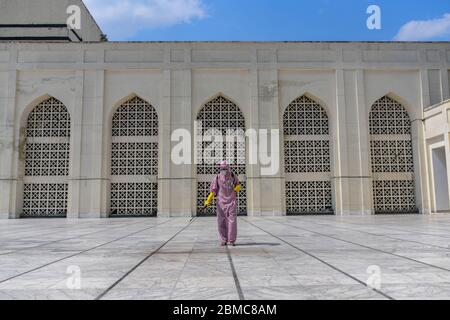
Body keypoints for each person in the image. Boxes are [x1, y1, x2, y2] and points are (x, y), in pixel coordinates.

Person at [204, 160, 241, 246]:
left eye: (225, 168)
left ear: (228, 168)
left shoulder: (233, 176)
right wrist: (207, 201)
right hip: (221, 203)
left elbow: (238, 185)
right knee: (221, 221)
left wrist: (237, 188)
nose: (223, 170)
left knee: (232, 222)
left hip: (231, 202)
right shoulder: (217, 177)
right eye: (221, 168)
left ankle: (231, 240)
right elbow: (213, 191)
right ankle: (223, 239)